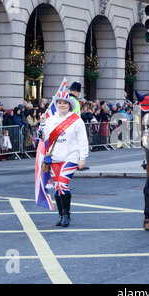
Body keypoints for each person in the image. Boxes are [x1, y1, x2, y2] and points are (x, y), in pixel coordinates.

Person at [41, 91, 89, 227]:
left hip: (71, 157)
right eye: (60, 103)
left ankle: (67, 214)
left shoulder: (76, 120)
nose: (62, 105)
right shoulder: (50, 120)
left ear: (70, 105)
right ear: (56, 104)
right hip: (54, 158)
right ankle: (61, 214)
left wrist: (82, 158)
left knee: (62, 184)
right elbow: (42, 138)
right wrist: (42, 124)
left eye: (65, 103)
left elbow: (82, 141)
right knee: (57, 187)